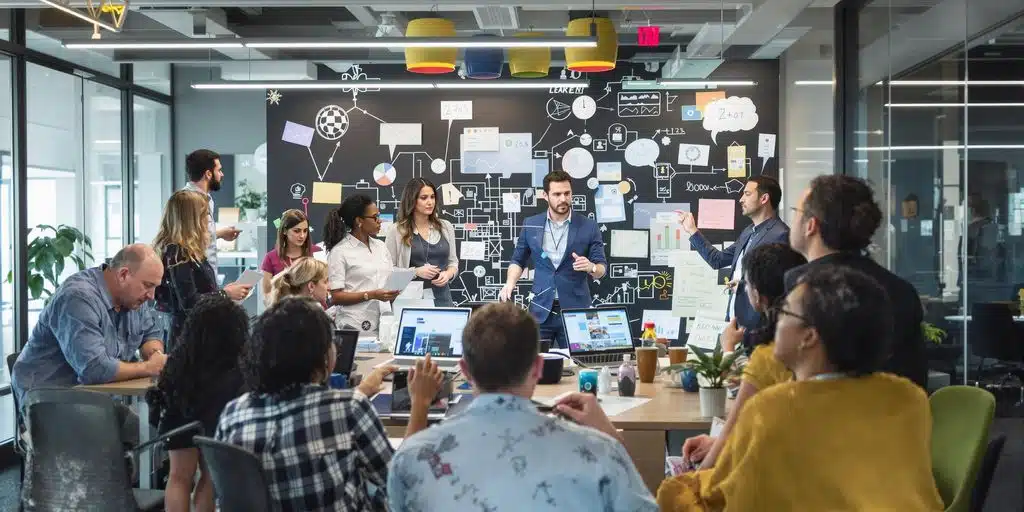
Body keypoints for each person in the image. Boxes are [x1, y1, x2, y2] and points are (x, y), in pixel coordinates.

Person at [565, 266, 944, 511]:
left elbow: (715, 499)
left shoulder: (776, 409)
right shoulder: (908, 398)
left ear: (809, 337)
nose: (775, 320)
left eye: (786, 313)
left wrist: (613, 443)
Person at [388, 303, 657, 512]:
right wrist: (613, 437)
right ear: (539, 367)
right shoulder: (600, 451)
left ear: (464, 371)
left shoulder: (411, 457)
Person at [216, 297, 443, 511]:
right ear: (322, 355)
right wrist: (420, 403)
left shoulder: (233, 413)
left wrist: (362, 390)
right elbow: (401, 482)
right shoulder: (349, 409)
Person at [11, 244, 167, 444]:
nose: (152, 296)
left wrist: (155, 354)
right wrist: (148, 368)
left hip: (93, 400)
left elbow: (150, 333)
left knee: (159, 436)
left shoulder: (133, 298)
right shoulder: (78, 297)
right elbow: (94, 369)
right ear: (124, 274)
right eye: (147, 285)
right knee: (129, 444)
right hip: (50, 403)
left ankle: (132, 472)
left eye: (155, 287)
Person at [786, 175, 928, 389]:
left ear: (810, 226)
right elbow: (915, 378)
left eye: (795, 213)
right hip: (894, 417)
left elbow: (783, 376)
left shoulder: (800, 285)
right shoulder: (901, 290)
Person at [680, 243, 806, 470]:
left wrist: (728, 345)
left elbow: (742, 393)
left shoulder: (774, 353)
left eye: (745, 284)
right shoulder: (809, 344)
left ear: (757, 295)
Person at [145, 294, 247, 512]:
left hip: (179, 418)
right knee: (210, 477)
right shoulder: (234, 368)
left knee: (178, 476)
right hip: (213, 422)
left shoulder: (180, 360)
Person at [499, 171, 607, 348]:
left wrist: (591, 267)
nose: (563, 198)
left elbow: (602, 268)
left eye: (567, 193)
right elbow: (518, 260)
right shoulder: (531, 224)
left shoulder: (588, 226)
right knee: (535, 365)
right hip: (540, 310)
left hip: (576, 311)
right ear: (545, 195)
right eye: (557, 194)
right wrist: (510, 283)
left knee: (581, 364)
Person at [676, 176, 789, 341]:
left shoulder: (780, 234)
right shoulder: (749, 232)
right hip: (735, 322)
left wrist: (743, 286)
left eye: (747, 194)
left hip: (758, 328)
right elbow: (718, 260)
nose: (741, 199)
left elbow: (778, 287)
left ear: (764, 198)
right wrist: (692, 231)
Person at [153, 190, 252, 344]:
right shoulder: (178, 253)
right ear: (191, 219)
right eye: (205, 214)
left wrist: (223, 292)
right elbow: (189, 302)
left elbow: (201, 292)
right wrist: (225, 294)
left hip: (199, 333)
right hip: (188, 338)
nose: (208, 220)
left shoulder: (188, 250)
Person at [324, 195, 400, 335]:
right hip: (355, 325)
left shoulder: (381, 247)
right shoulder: (340, 252)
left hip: (385, 322)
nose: (380, 221)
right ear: (359, 221)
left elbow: (387, 280)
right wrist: (371, 295)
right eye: (375, 217)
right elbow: (336, 296)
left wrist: (394, 291)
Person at [384, 178, 458, 307]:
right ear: (412, 200)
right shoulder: (396, 230)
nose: (430, 202)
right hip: (409, 301)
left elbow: (453, 262)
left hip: (443, 299)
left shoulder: (446, 227)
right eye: (424, 198)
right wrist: (415, 272)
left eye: (432, 197)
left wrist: (448, 274)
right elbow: (387, 271)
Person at [183, 149, 241, 276]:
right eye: (219, 170)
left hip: (207, 274)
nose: (222, 174)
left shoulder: (207, 199)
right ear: (208, 174)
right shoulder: (187, 200)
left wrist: (219, 234)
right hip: (196, 275)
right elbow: (185, 241)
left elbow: (199, 235)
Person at [261, 208, 322, 302]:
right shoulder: (271, 257)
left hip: (315, 310)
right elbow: (267, 295)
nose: (302, 236)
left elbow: (325, 286)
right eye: (297, 231)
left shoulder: (317, 252)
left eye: (305, 231)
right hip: (284, 312)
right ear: (285, 231)